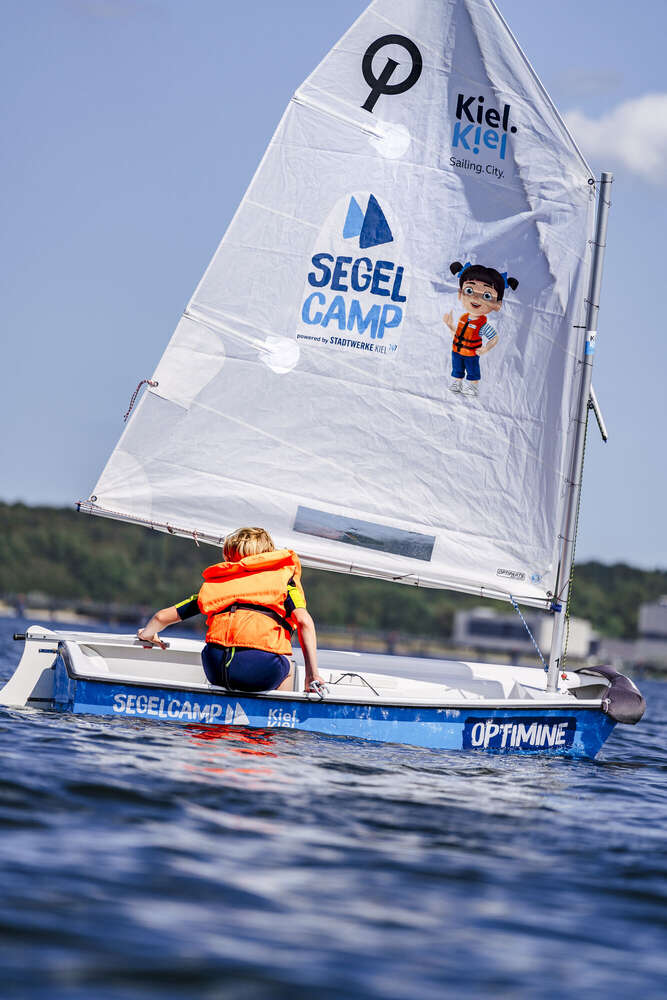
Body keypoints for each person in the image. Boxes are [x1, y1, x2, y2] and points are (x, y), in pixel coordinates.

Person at [137, 526, 325, 695]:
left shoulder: (217, 586)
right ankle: (274, 718)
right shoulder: (284, 583)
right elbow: (304, 622)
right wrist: (312, 674)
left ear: (228, 557)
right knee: (289, 666)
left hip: (215, 667)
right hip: (260, 668)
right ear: (267, 554)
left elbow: (161, 617)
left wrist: (147, 635)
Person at [443, 260, 518, 397]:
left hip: (471, 353)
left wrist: (486, 348)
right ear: (460, 294)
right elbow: (458, 332)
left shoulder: (482, 325)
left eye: (487, 295)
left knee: (472, 370)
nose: (476, 298)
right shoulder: (463, 318)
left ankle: (472, 387)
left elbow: (494, 337)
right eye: (469, 290)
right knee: (457, 368)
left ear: (497, 305)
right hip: (457, 351)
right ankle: (457, 383)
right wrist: (450, 325)